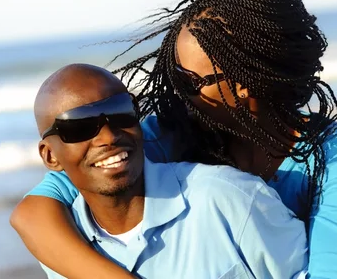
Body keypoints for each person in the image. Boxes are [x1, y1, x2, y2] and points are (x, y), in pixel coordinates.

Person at [10, 0, 337, 278]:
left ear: (245, 84)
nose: (179, 93)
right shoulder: (167, 133)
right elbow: (33, 214)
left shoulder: (327, 152)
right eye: (175, 76)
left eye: (192, 81)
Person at [26, 63, 308, 279]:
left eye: (121, 112)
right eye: (79, 126)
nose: (108, 136)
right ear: (51, 156)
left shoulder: (229, 198)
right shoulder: (64, 246)